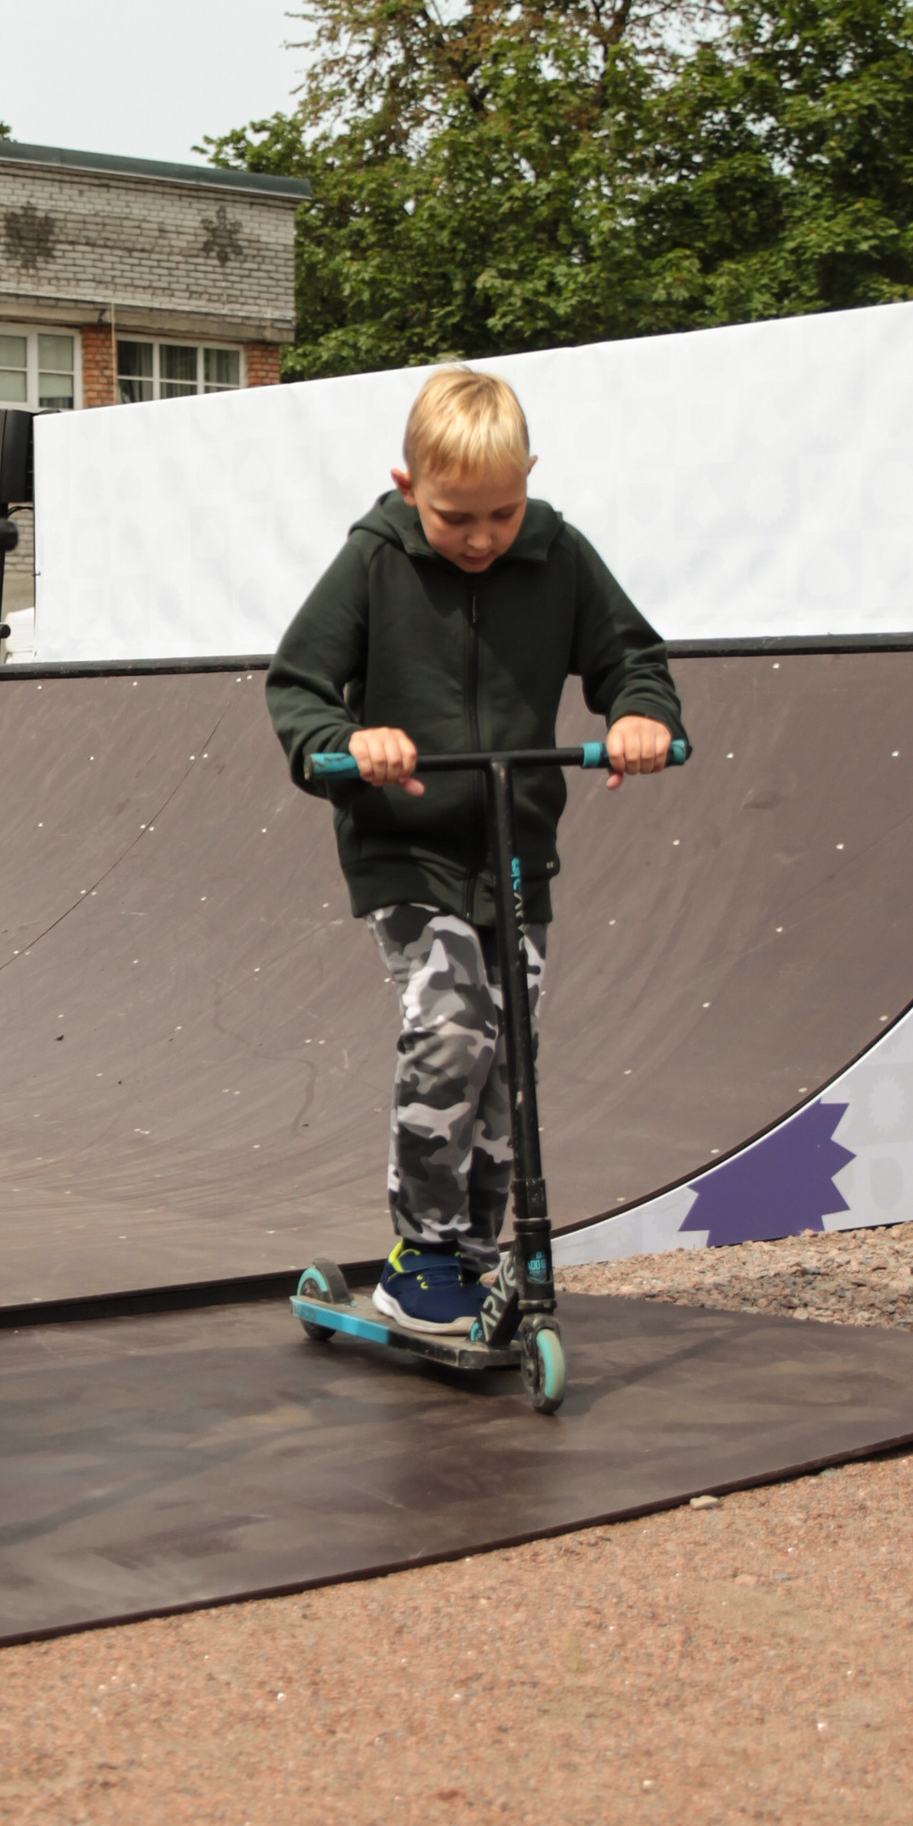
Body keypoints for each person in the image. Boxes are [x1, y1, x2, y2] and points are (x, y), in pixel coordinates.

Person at [266, 364, 682, 1335]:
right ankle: (418, 1254)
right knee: (452, 1025)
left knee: (508, 1057)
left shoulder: (556, 554)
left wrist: (639, 716)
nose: (485, 538)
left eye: (502, 511)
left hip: (512, 849)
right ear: (409, 490)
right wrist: (348, 747)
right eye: (457, 518)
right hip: (404, 846)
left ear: (528, 479)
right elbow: (298, 688)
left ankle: (481, 1250)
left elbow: (632, 658)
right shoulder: (374, 560)